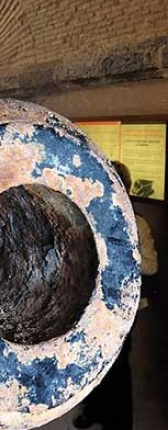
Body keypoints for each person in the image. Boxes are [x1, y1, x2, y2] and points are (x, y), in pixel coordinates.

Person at [74, 160, 158, 430]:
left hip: (123, 303)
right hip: (95, 300)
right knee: (94, 360)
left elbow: (151, 265)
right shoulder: (94, 215)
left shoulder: (138, 223)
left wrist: (123, 254)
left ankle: (119, 423)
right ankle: (95, 412)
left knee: (119, 365)